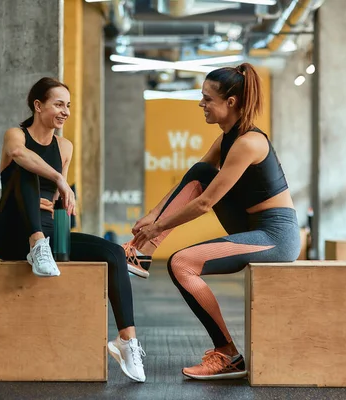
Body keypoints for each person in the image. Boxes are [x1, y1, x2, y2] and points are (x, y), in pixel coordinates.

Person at [122, 63, 300, 380]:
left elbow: (204, 203)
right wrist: (153, 216)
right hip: (249, 224)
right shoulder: (226, 138)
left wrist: (158, 226)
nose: (201, 104)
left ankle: (228, 354)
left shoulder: (249, 142)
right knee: (202, 171)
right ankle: (145, 252)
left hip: (276, 235)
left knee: (182, 263)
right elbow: (192, 183)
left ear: (230, 102)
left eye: (207, 99)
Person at [0, 77, 146, 383]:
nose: (65, 111)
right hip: (9, 232)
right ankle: (36, 246)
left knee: (113, 252)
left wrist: (61, 207)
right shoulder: (15, 136)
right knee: (26, 170)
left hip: (48, 232)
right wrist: (59, 179)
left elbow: (61, 203)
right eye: (59, 104)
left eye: (68, 105)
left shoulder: (65, 146)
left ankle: (127, 341)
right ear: (38, 105)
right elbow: (21, 157)